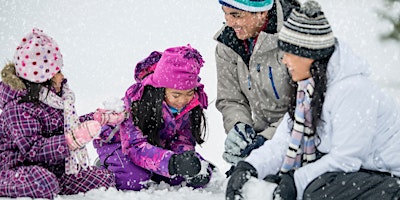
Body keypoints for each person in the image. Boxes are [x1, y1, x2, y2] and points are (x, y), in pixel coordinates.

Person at [225, 1, 400, 199]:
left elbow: (346, 160)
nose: (284, 60)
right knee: (283, 179)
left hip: (388, 177)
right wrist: (249, 167)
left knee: (318, 190)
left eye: (289, 53)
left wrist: (295, 182)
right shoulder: (307, 89)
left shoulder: (353, 90)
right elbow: (285, 143)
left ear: (309, 55)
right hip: (360, 173)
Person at [0, 28, 121, 199]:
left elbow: (64, 126)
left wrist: (97, 118)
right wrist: (71, 141)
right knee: (44, 183)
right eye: (57, 72)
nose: (62, 76)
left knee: (104, 179)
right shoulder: (17, 108)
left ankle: (57, 184)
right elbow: (33, 150)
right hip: (18, 168)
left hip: (55, 166)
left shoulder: (53, 99)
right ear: (41, 78)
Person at [93, 45, 213, 191]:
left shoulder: (190, 105)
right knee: (132, 179)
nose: (182, 100)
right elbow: (134, 146)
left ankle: (154, 169)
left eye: (189, 93)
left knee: (187, 176)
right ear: (161, 89)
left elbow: (183, 138)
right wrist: (171, 162)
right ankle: (107, 165)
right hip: (120, 145)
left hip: (158, 144)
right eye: (176, 95)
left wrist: (183, 160)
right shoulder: (137, 102)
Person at [214, 0, 300, 168]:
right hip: (261, 137)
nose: (229, 23)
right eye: (225, 13)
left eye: (236, 15)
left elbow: (307, 108)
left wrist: (268, 139)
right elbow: (231, 99)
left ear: (262, 12)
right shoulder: (227, 44)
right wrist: (240, 128)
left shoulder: (297, 38)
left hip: (302, 138)